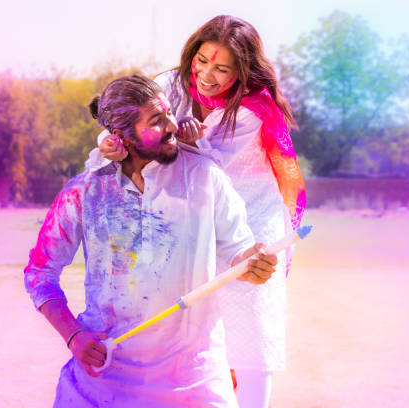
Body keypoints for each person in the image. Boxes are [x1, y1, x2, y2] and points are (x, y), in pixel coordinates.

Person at [89, 15, 306, 408]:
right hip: (196, 220)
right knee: (189, 325)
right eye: (202, 61)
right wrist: (110, 142)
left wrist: (187, 143)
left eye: (222, 69)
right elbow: (131, 123)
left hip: (254, 218)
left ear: (242, 72)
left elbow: (210, 168)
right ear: (192, 54)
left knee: (251, 332)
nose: (207, 75)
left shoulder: (253, 108)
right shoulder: (170, 85)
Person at [24, 74, 278, 408]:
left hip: (194, 380)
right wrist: (73, 337)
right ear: (121, 137)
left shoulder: (205, 176)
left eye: (169, 113)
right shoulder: (86, 189)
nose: (173, 125)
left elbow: (239, 253)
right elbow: (39, 272)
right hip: (102, 379)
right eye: (157, 122)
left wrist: (253, 262)